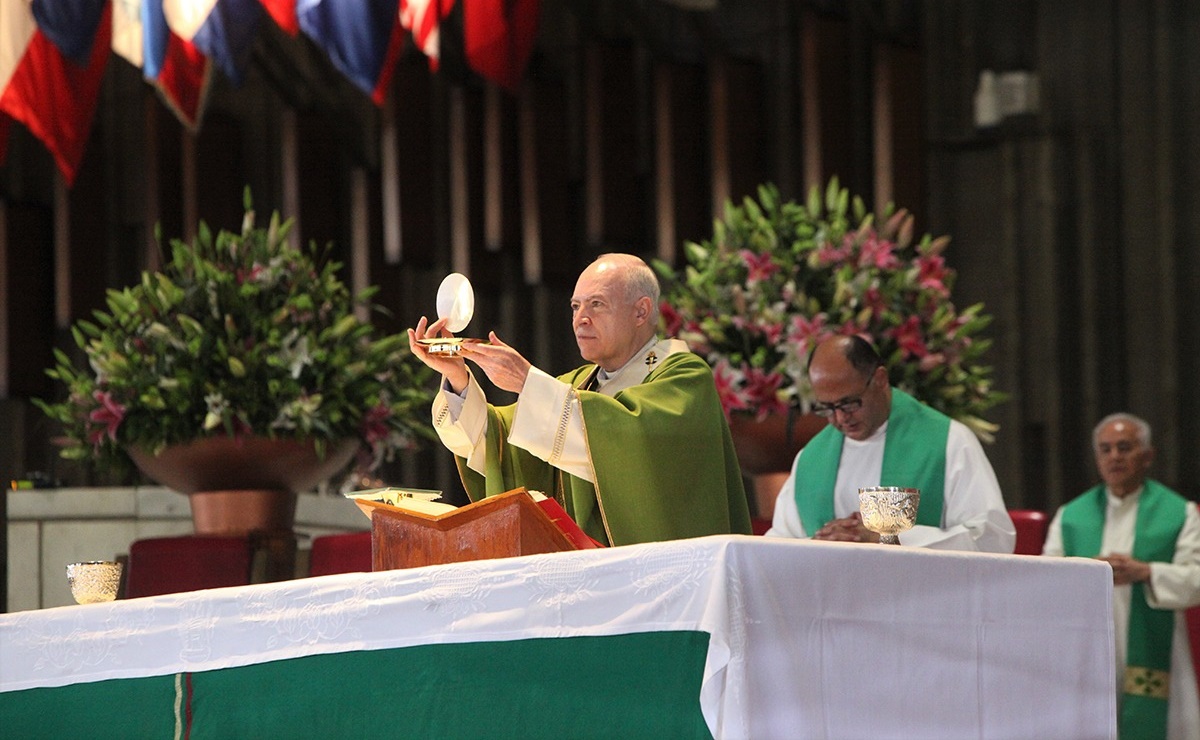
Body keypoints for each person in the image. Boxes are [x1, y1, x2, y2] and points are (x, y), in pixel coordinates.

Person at [407, 253, 751, 546]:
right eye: (575, 306)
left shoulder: (683, 376)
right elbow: (498, 444)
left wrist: (528, 383)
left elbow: (633, 442)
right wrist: (458, 377)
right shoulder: (576, 386)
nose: (580, 318)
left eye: (597, 304)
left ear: (641, 311)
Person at [765, 334, 1014, 552]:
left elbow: (991, 539)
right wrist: (822, 542)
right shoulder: (811, 458)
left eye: (849, 403)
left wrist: (886, 537)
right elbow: (781, 545)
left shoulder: (948, 442)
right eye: (827, 408)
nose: (840, 419)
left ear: (881, 380)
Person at [1042, 413, 1200, 739]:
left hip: (1156, 645)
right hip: (1087, 643)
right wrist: (1089, 569)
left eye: (1124, 447)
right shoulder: (1071, 516)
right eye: (1106, 449)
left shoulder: (1179, 512)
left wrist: (1147, 572)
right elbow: (1045, 578)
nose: (1114, 456)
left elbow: (1196, 579)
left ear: (1147, 455)